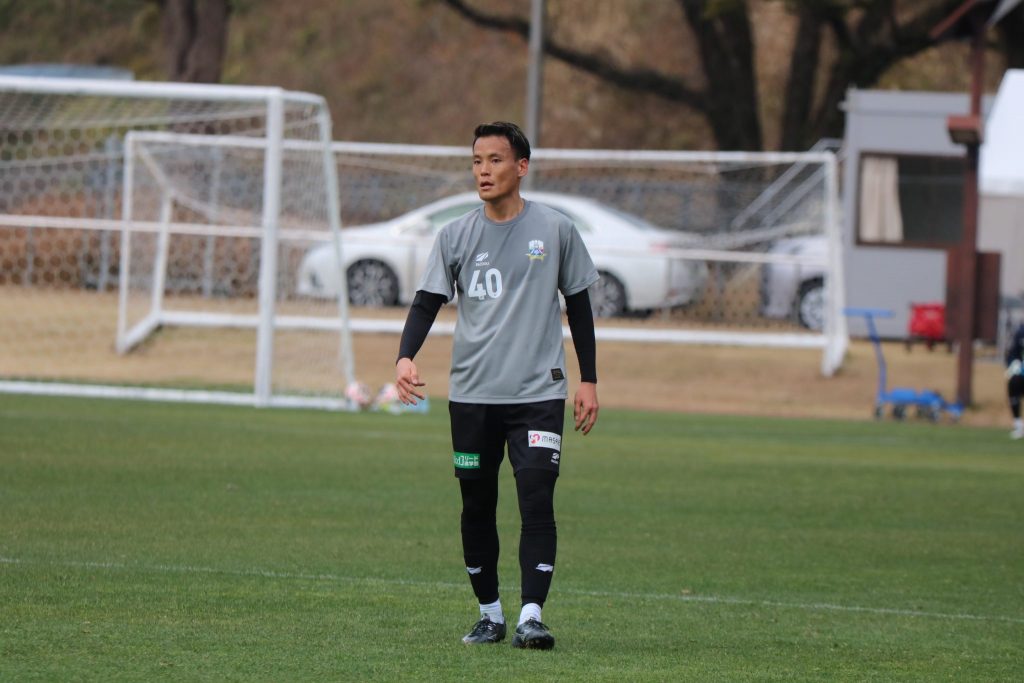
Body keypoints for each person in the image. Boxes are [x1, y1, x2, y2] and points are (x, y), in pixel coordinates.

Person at [394, 121, 599, 649]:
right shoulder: (455, 235)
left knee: (537, 497)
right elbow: (426, 302)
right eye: (477, 161)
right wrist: (404, 358)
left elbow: (579, 307)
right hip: (473, 397)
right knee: (476, 506)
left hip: (538, 394)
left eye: (495, 160)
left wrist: (589, 380)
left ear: (521, 166)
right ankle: (490, 615)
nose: (483, 171)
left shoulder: (556, 229)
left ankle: (532, 616)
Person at [1007, 321, 1024, 440]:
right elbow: (1012, 353)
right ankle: (1018, 425)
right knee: (1013, 384)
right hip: (1021, 373)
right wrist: (1014, 364)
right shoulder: (1020, 332)